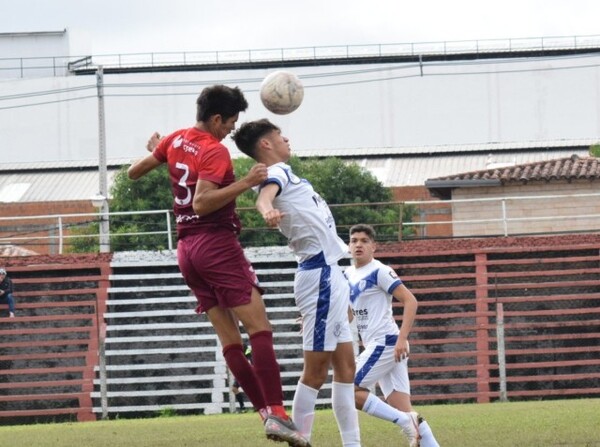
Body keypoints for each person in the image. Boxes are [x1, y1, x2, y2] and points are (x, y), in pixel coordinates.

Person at [127, 86, 309, 447]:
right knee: (260, 330)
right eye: (230, 122)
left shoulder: (177, 139)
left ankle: (266, 416)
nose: (230, 129)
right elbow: (203, 202)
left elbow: (134, 172)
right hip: (215, 245)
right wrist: (246, 182)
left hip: (187, 251)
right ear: (215, 119)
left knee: (230, 340)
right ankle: (278, 412)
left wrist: (161, 153)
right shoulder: (214, 151)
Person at [233, 119, 361, 447]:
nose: (286, 139)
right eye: (279, 135)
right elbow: (264, 197)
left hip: (332, 274)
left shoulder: (288, 174)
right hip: (318, 277)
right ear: (265, 144)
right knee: (316, 372)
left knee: (346, 368)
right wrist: (265, 211)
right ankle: (297, 437)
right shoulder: (277, 171)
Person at [344, 224, 440, 447]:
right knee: (405, 409)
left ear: (374, 246)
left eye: (364, 241)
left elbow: (410, 301)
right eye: (354, 240)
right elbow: (348, 313)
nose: (358, 244)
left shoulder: (380, 271)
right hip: (379, 345)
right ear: (349, 246)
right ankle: (412, 424)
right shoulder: (347, 274)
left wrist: (402, 338)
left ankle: (405, 423)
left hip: (386, 343)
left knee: (349, 390)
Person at [231, 343, 253, 412]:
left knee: (251, 389)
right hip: (240, 371)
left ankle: (258, 407)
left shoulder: (244, 346)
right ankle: (242, 408)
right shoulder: (233, 346)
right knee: (234, 389)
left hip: (246, 370)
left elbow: (250, 357)